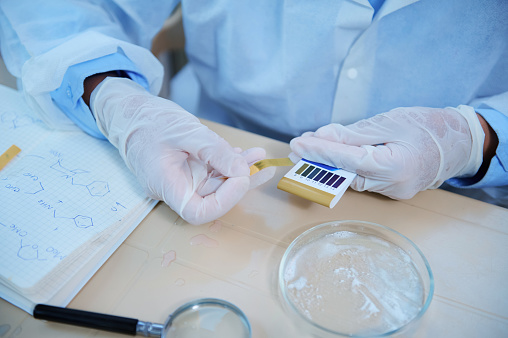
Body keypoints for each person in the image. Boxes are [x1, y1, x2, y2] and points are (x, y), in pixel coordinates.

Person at [0, 1, 506, 224]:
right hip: (202, 151)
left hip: (451, 203)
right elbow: (56, 8)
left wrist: (472, 137)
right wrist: (112, 98)